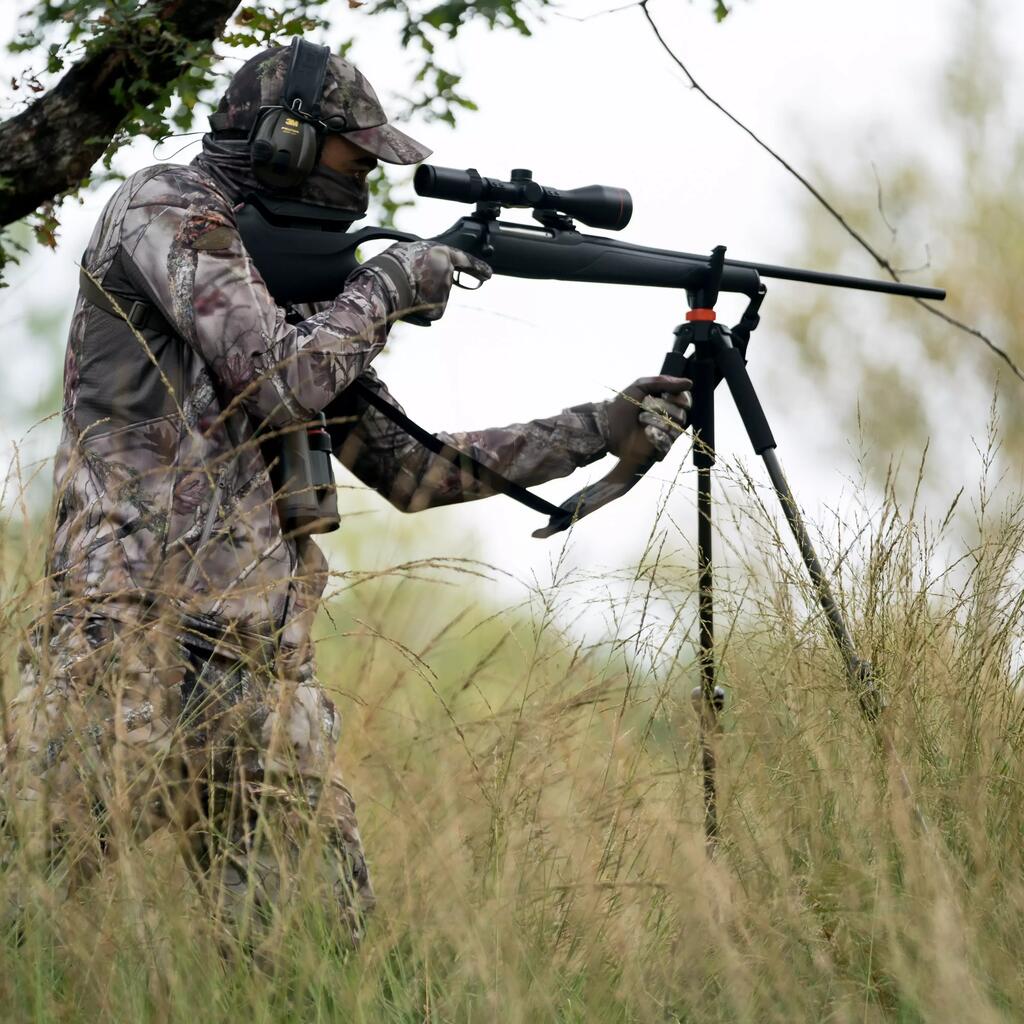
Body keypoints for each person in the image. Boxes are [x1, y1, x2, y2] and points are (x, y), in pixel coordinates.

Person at [0, 40, 692, 944]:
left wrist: (600, 429)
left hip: (259, 674)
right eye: (353, 152)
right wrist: (390, 287)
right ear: (285, 138)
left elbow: (412, 469)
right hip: (126, 646)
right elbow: (280, 378)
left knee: (316, 956)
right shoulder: (167, 208)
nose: (366, 175)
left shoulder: (299, 296)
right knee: (19, 901)